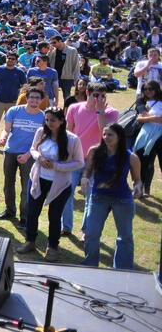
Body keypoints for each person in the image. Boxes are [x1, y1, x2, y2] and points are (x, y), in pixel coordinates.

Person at [16, 108, 84, 261]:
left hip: (60, 184)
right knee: (32, 212)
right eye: (46, 120)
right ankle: (30, 241)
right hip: (37, 179)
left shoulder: (72, 139)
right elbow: (33, 149)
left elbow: (79, 162)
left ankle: (52, 247)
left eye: (52, 120)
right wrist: (39, 157)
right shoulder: (41, 132)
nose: (49, 123)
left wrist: (57, 166)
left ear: (61, 121)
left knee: (54, 216)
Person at [81, 123, 141, 270]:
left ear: (119, 137)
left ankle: (122, 269)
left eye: (110, 134)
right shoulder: (94, 151)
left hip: (122, 200)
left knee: (125, 237)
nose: (106, 137)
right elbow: (87, 171)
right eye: (104, 134)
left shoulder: (131, 157)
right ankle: (90, 266)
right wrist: (85, 178)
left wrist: (138, 187)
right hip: (98, 198)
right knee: (91, 234)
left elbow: (137, 179)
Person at [64, 81, 119, 236]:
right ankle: (66, 227)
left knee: (92, 198)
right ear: (87, 93)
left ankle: (86, 231)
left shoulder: (111, 112)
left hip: (97, 161)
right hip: (75, 158)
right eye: (96, 95)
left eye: (103, 96)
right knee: (67, 193)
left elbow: (106, 134)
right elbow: (68, 133)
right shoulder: (74, 108)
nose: (99, 99)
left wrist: (100, 112)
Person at [0, 88, 46, 223]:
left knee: (26, 186)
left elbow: (41, 142)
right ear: (26, 97)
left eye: (37, 98)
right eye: (31, 97)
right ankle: (10, 211)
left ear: (41, 100)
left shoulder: (43, 117)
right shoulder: (14, 111)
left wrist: (28, 155)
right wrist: (3, 138)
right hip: (11, 151)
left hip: (29, 155)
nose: (34, 100)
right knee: (8, 183)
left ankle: (25, 216)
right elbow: (6, 130)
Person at [0, 52, 27, 149]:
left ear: (16, 61)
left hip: (13, 103)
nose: (10, 60)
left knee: (12, 125)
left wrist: (19, 100)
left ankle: (10, 144)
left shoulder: (20, 72)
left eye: (13, 59)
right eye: (9, 58)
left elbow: (24, 87)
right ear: (6, 58)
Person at [134, 80, 162, 197]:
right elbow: (140, 118)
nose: (148, 91)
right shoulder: (141, 100)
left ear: (156, 89)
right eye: (145, 89)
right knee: (146, 163)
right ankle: (144, 188)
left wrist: (149, 116)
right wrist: (156, 117)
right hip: (146, 135)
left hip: (160, 137)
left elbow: (145, 116)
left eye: (150, 89)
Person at [48, 35, 80, 99]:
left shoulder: (72, 50)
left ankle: (66, 108)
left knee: (67, 96)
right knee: (52, 95)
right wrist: (49, 52)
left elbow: (76, 65)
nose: (53, 44)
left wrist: (76, 79)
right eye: (51, 43)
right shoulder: (52, 51)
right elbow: (47, 62)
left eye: (54, 42)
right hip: (55, 77)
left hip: (67, 77)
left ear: (60, 41)